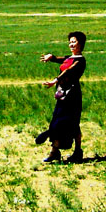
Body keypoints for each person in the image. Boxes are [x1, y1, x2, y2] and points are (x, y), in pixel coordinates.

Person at [35, 31, 87, 163]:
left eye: (74, 42)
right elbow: (61, 60)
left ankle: (77, 151)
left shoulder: (80, 60)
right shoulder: (69, 58)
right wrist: (51, 57)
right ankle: (55, 151)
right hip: (63, 95)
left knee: (73, 124)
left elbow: (69, 71)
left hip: (72, 96)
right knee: (56, 122)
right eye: (70, 42)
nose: (71, 44)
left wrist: (55, 80)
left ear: (80, 44)